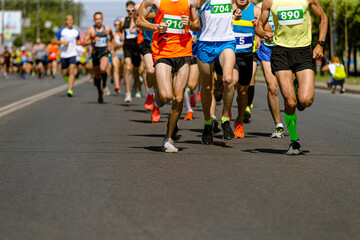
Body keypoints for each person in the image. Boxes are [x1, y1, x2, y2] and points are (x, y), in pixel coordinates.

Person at [256, 0, 328, 155]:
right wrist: (264, 34)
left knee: (306, 100)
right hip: (281, 53)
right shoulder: (270, 2)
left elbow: (323, 17)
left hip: (303, 52)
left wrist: (320, 44)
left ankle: (297, 87)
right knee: (290, 101)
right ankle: (294, 141)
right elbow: (258, 27)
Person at [138, 0, 200, 152]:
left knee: (178, 98)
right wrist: (155, 27)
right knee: (166, 97)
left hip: (184, 52)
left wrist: (190, 24)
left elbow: (197, 25)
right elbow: (139, 21)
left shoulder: (191, 1)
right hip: (162, 52)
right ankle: (159, 94)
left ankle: (168, 138)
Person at [197, 0, 242, 144]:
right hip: (205, 42)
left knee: (228, 79)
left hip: (226, 41)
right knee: (207, 87)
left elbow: (234, 10)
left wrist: (236, 14)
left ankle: (226, 119)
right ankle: (207, 123)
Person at [254, 1, 285, 138]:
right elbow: (258, 28)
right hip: (267, 49)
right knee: (272, 87)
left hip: (286, 48)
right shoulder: (259, 7)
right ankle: (278, 125)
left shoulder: (288, 4)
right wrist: (259, 35)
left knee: (287, 89)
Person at [232, 0, 261, 139]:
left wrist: (259, 32)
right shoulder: (228, 8)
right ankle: (226, 116)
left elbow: (265, 28)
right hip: (230, 53)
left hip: (247, 55)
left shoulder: (255, 10)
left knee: (243, 91)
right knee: (230, 82)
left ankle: (239, 121)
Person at [84, 12, 115, 103]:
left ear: (102, 19)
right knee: (97, 75)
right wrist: (92, 41)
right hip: (95, 53)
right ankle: (99, 92)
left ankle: (104, 84)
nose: (98, 21)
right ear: (94, 20)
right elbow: (84, 42)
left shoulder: (107, 29)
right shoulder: (91, 30)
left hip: (104, 52)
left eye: (99, 19)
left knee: (102, 69)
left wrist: (112, 49)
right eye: (96, 19)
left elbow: (112, 38)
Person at [52, 15, 81, 97]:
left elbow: (78, 40)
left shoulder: (76, 31)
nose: (70, 21)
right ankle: (65, 75)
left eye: (71, 20)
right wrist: (62, 43)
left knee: (72, 71)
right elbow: (54, 40)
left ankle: (70, 89)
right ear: (66, 21)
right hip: (64, 54)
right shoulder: (61, 31)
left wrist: (80, 44)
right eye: (68, 20)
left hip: (73, 54)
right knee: (64, 72)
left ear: (73, 21)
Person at [120, 1, 142, 102]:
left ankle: (136, 87)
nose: (130, 12)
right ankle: (128, 93)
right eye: (128, 10)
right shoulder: (122, 21)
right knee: (128, 67)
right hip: (127, 47)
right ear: (126, 10)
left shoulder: (139, 20)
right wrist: (121, 36)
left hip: (137, 47)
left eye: (132, 10)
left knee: (136, 71)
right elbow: (121, 31)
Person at [112, 19, 125, 93]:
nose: (117, 26)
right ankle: (117, 85)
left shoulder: (123, 33)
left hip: (123, 53)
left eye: (118, 24)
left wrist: (120, 44)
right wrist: (112, 50)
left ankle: (121, 77)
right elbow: (111, 43)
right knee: (116, 68)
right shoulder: (113, 34)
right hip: (116, 53)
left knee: (121, 69)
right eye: (115, 25)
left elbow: (125, 42)